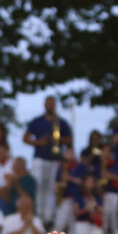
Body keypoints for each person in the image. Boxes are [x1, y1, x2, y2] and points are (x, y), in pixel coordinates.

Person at [26, 95, 74, 225]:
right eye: (48, 103)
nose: (50, 106)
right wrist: (39, 142)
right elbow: (26, 138)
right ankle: (39, 212)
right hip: (40, 157)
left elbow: (70, 140)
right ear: (44, 104)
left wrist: (58, 140)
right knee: (39, 184)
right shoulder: (37, 121)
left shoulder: (61, 122)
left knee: (52, 186)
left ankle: (49, 215)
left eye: (52, 103)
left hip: (56, 158)